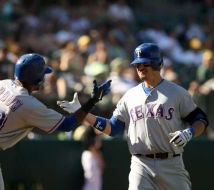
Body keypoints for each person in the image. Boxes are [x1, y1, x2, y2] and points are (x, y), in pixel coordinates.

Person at [57, 43, 209, 190]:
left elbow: (200, 120)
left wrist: (189, 132)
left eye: (145, 63)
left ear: (157, 63)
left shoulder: (177, 92)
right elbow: (113, 128)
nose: (140, 67)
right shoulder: (130, 95)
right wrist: (83, 113)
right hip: (140, 164)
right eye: (137, 64)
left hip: (172, 163)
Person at [0, 53, 111, 190]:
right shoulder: (27, 103)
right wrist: (92, 101)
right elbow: (67, 125)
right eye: (43, 74)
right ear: (37, 78)